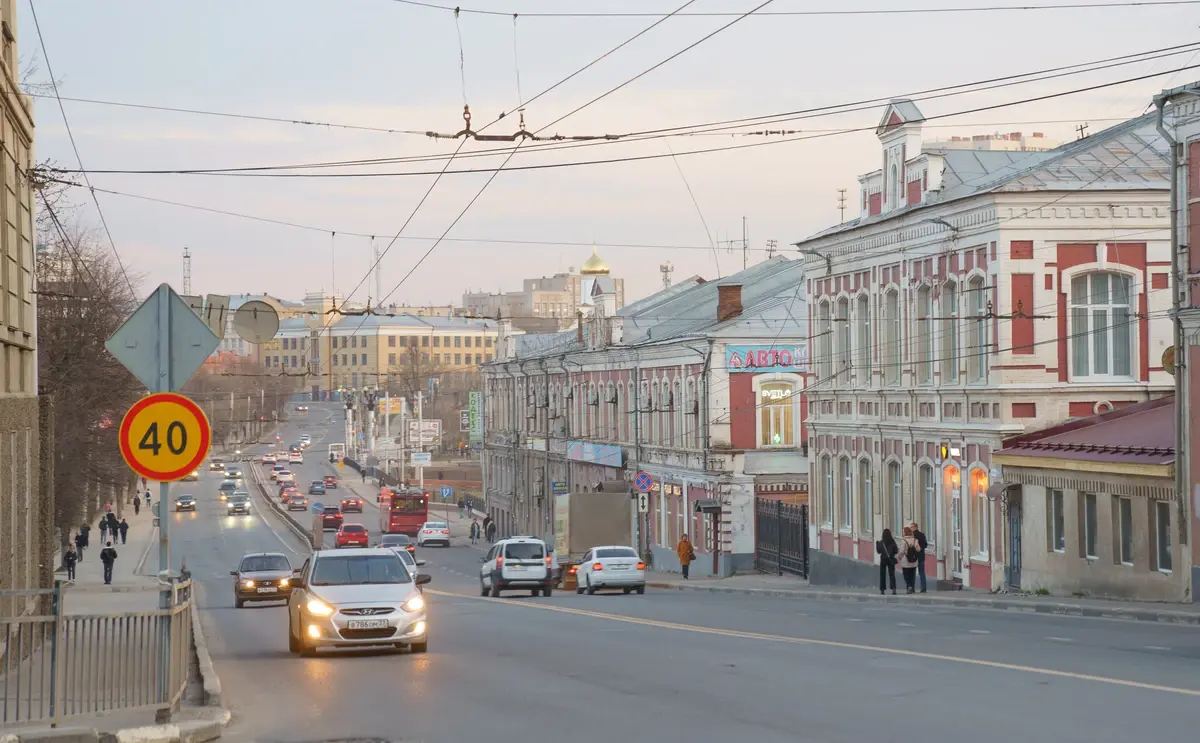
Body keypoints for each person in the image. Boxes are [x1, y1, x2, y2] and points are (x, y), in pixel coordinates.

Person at [898, 526, 920, 594]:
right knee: (912, 575)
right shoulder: (915, 540)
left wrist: (899, 557)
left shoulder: (903, 541)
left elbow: (901, 551)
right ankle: (912, 588)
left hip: (905, 561)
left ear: (905, 533)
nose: (902, 533)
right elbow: (918, 549)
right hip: (914, 560)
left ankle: (909, 587)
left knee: (906, 575)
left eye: (903, 532)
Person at [877, 528, 899, 595]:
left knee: (882, 574)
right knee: (892, 574)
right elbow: (896, 551)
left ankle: (882, 590)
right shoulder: (892, 542)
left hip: (883, 559)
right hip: (891, 559)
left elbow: (878, 551)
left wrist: (877, 544)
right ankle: (894, 589)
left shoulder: (881, 542)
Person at [910, 521, 929, 593]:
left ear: (915, 527)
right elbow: (925, 545)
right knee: (922, 572)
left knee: (912, 573)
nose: (911, 528)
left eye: (911, 527)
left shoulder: (912, 536)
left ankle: (912, 588)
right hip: (921, 556)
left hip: (913, 557)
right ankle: (923, 588)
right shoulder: (922, 535)